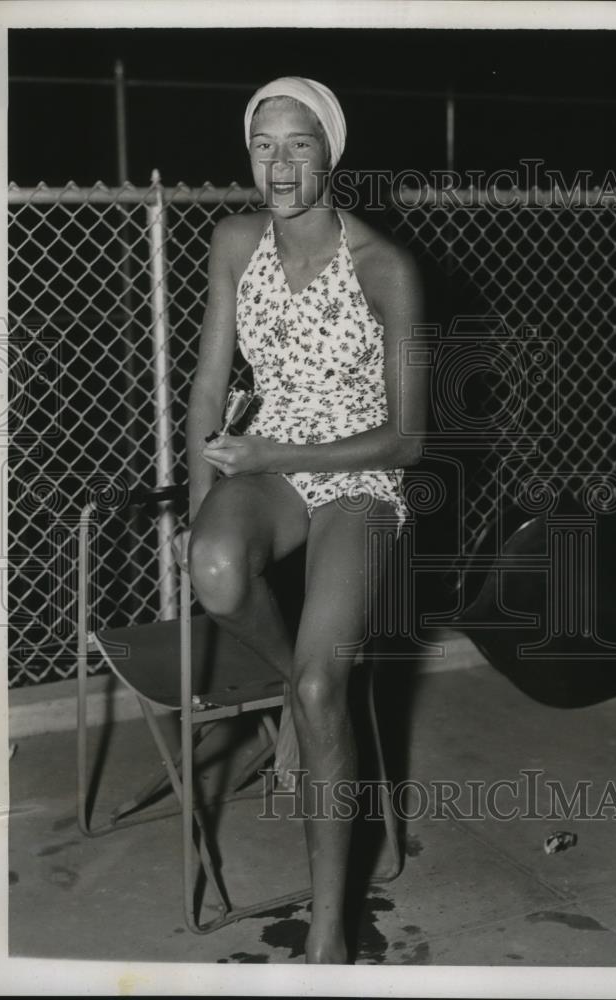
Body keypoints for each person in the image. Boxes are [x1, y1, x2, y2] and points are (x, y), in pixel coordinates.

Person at [176, 76, 428, 964]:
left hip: (358, 478)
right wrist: (206, 504)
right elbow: (210, 387)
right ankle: (299, 687)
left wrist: (274, 458)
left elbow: (406, 439)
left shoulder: (384, 267)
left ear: (331, 153)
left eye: (299, 145)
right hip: (268, 464)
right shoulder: (234, 242)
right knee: (212, 571)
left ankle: (327, 934)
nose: (279, 166)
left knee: (329, 692)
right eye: (263, 145)